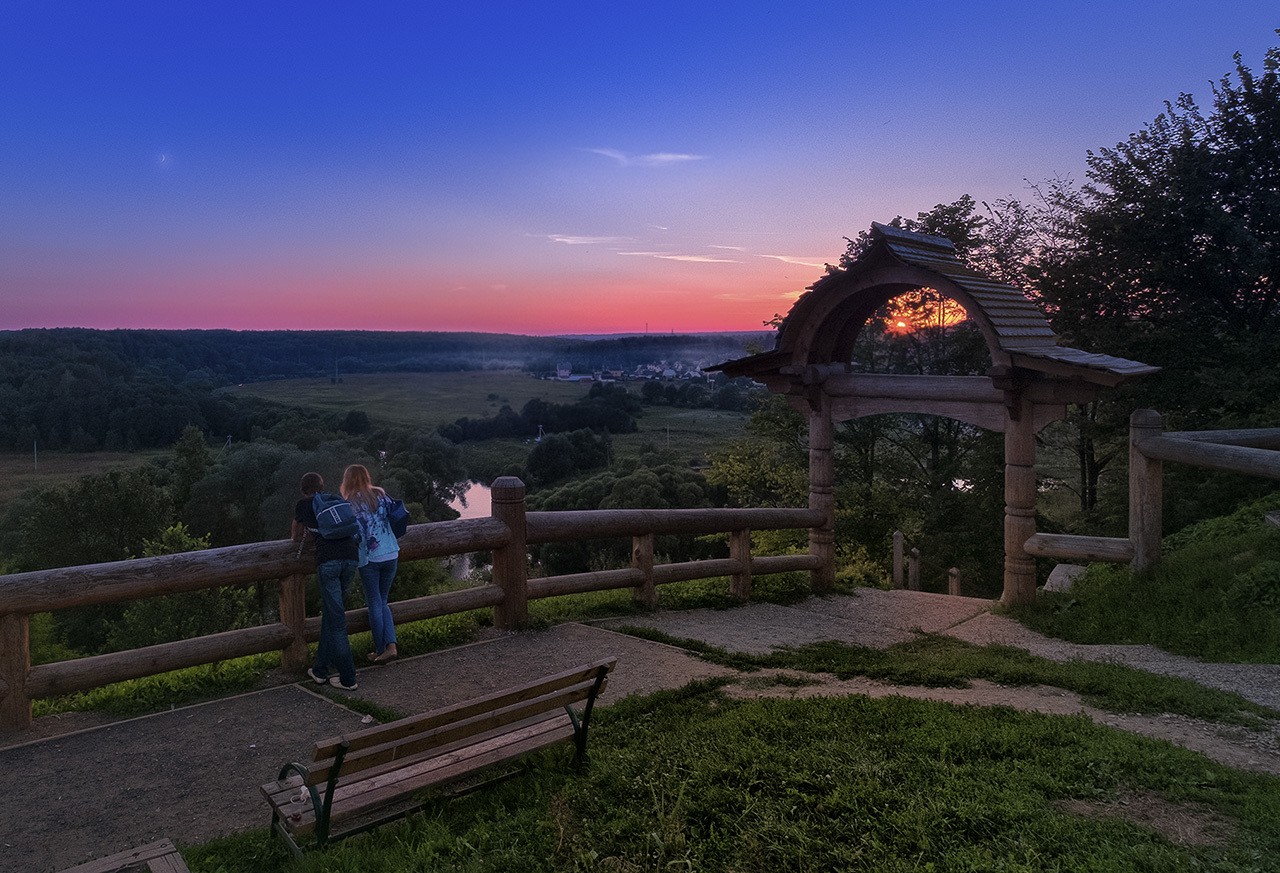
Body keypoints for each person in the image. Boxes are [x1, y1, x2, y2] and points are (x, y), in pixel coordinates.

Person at [292, 471, 359, 690]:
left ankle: (349, 678)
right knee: (332, 616)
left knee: (337, 622)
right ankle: (320, 670)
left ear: (304, 490)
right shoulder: (335, 499)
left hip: (328, 562)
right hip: (350, 558)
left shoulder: (304, 504)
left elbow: (295, 535)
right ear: (322, 486)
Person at [341, 464, 401, 664]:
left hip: (370, 558)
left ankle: (380, 649)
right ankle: (390, 646)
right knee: (383, 600)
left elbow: (355, 532)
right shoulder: (381, 494)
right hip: (391, 552)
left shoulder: (350, 503)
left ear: (348, 480)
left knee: (375, 602)